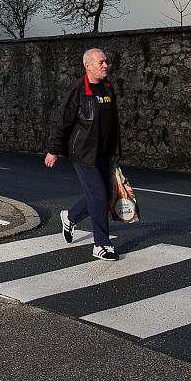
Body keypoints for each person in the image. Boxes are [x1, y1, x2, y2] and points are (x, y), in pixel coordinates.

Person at [44, 48, 122, 261]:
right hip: (83, 152)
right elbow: (62, 120)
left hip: (104, 152)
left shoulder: (108, 88)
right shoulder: (78, 89)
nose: (105, 65)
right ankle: (101, 244)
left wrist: (115, 150)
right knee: (98, 195)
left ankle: (70, 217)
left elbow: (113, 122)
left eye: (106, 61)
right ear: (88, 66)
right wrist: (53, 150)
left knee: (102, 196)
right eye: (100, 62)